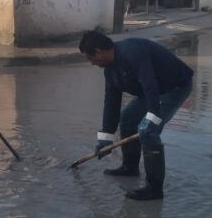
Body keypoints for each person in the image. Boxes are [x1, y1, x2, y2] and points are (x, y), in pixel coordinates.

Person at [79, 31, 193, 201]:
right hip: (151, 92)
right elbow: (111, 103)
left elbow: (150, 85)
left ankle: (154, 188)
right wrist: (106, 138)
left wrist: (152, 118)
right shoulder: (109, 72)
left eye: (90, 58)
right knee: (127, 119)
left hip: (173, 88)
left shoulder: (132, 52)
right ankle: (129, 167)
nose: (92, 63)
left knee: (148, 132)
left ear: (99, 52)